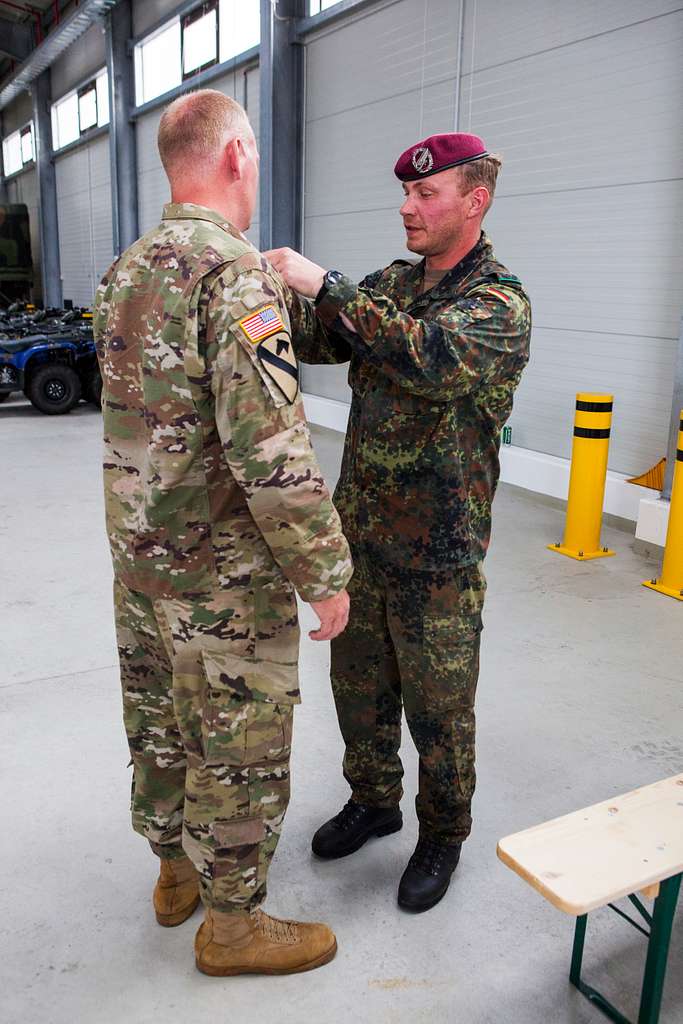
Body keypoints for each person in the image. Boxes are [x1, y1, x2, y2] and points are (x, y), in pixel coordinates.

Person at [93, 89, 353, 976]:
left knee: (160, 717)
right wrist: (324, 572)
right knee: (236, 734)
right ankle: (232, 924)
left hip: (140, 558)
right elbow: (271, 448)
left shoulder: (127, 268)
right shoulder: (234, 275)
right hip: (221, 571)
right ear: (237, 156)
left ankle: (173, 872)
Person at [266, 132, 531, 913]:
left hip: (438, 553)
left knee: (438, 709)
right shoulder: (392, 283)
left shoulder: (496, 304)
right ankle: (373, 799)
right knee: (358, 690)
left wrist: (327, 283)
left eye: (426, 195)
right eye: (407, 195)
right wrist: (256, 303)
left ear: (473, 201)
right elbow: (313, 337)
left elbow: (427, 358)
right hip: (361, 539)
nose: (407, 207)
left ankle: (442, 833)